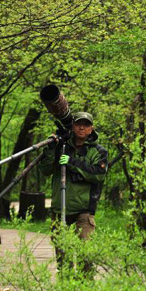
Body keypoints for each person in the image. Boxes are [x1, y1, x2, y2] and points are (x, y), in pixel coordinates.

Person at [39, 111, 108, 273]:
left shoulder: (98, 151)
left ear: (91, 129)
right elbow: (45, 170)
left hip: (84, 211)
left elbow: (98, 174)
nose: (82, 128)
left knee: (86, 255)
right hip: (59, 208)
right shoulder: (61, 147)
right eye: (78, 124)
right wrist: (50, 150)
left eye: (86, 125)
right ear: (72, 126)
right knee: (63, 255)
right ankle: (66, 289)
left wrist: (72, 162)